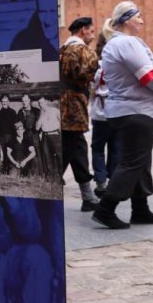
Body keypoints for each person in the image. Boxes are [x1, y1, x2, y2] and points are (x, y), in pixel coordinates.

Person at [92, 1, 153, 230]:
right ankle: (105, 210)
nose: (142, 20)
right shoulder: (126, 43)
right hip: (136, 110)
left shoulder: (114, 44)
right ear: (126, 19)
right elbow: (147, 76)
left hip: (127, 110)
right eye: (138, 16)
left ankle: (140, 209)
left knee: (140, 162)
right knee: (132, 162)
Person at [59, 17, 101, 211]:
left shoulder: (62, 50)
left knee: (77, 147)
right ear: (83, 30)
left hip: (61, 104)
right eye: (91, 31)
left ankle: (87, 196)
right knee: (69, 146)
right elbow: (91, 72)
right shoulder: (81, 50)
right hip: (72, 106)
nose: (92, 35)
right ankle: (51, 182)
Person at [90, 20, 120, 198]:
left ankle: (101, 182)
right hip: (116, 110)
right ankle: (114, 180)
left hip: (101, 112)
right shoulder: (118, 64)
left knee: (98, 147)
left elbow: (92, 86)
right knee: (115, 147)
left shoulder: (99, 65)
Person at [36, 96, 62, 179]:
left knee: (59, 155)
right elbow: (37, 127)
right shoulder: (41, 113)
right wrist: (41, 116)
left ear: (47, 102)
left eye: (42, 102)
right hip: (45, 136)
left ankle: (62, 175)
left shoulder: (55, 110)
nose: (41, 105)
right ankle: (50, 175)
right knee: (47, 156)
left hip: (55, 135)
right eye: (39, 103)